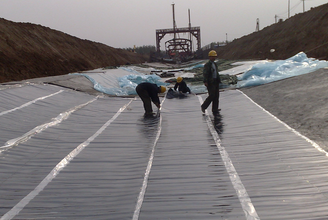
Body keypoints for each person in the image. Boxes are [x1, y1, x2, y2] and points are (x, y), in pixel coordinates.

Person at [201, 50, 221, 115]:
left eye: (215, 56)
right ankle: (204, 106)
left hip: (216, 81)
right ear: (209, 57)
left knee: (216, 96)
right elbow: (205, 73)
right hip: (210, 82)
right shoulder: (207, 65)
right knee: (212, 95)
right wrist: (205, 81)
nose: (214, 58)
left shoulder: (214, 64)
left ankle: (215, 109)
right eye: (213, 56)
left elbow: (216, 72)